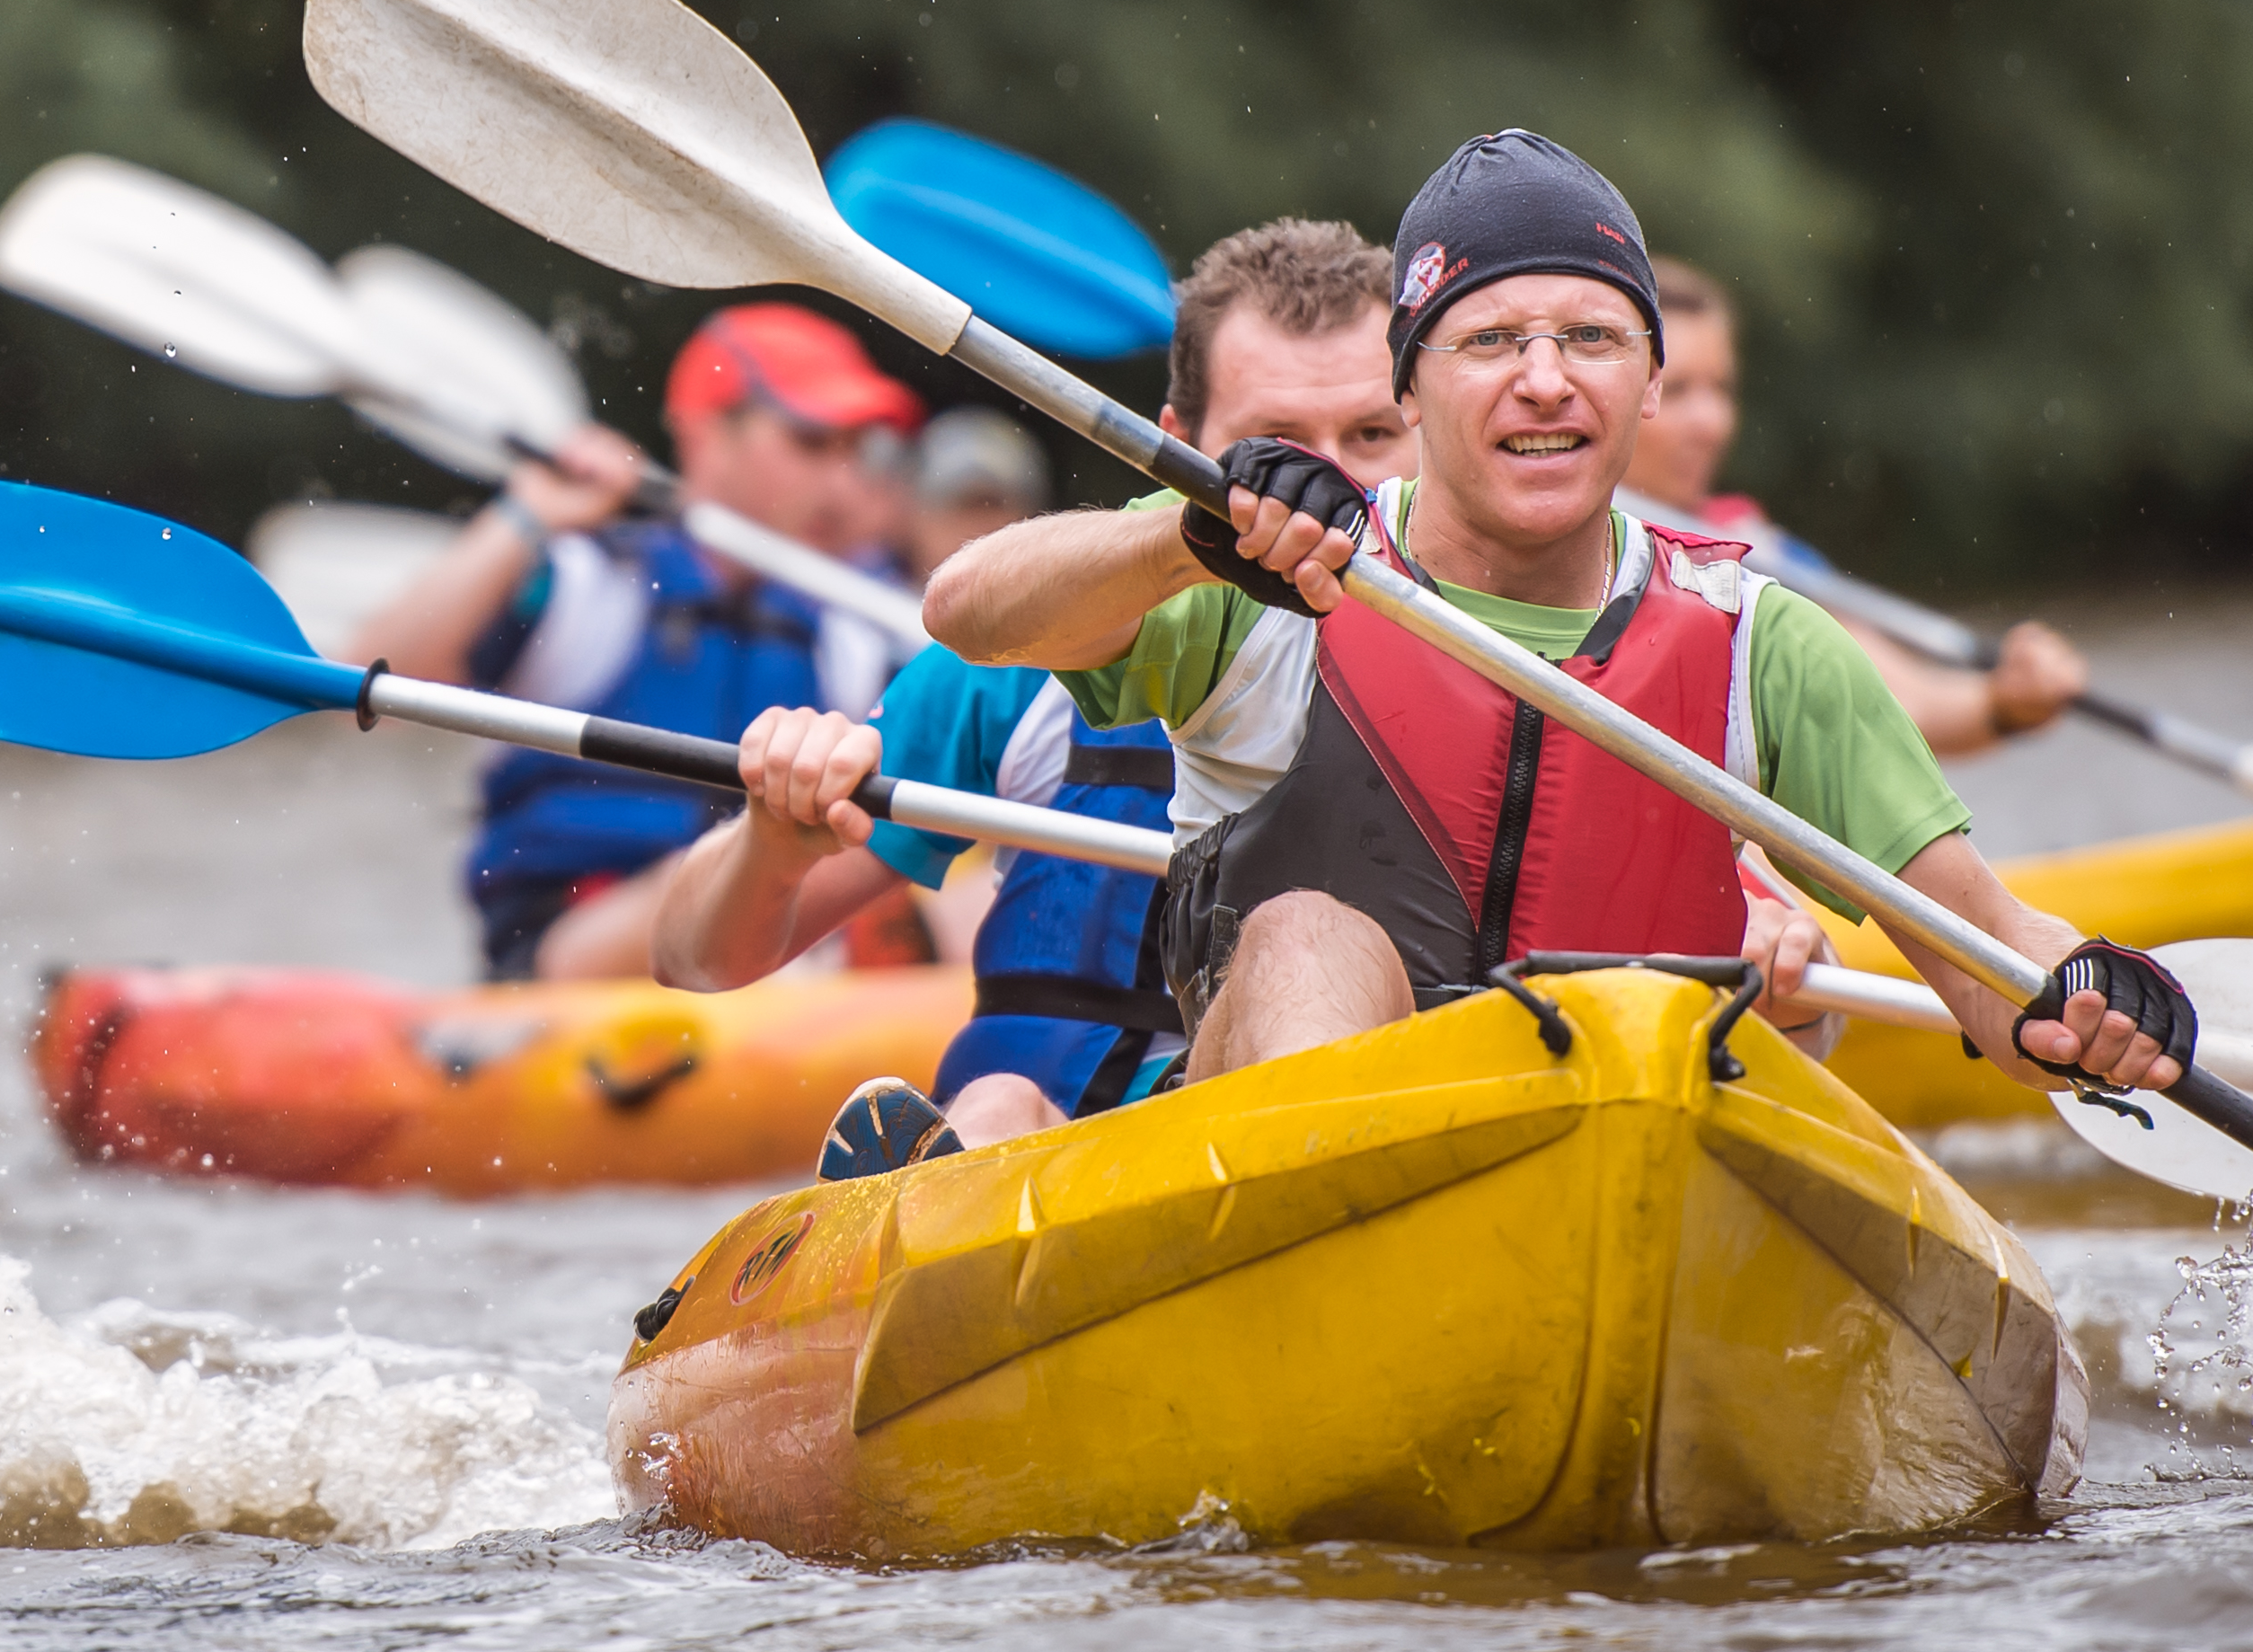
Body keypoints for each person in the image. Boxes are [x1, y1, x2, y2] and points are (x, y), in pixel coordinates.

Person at [862, 128, 2186, 1176]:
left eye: (1592, 339)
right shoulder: (1262, 559)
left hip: (1622, 1165)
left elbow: (1994, 958)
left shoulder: (1761, 646)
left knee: (1745, 1038)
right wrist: (1182, 540)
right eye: (1490, 341)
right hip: (1281, 1177)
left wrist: (2085, 1006)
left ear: (1648, 384)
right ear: (1408, 387)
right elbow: (969, 609)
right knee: (1311, 936)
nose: (1545, 379)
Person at [650, 220, 1413, 1167]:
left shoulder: (1499, 676)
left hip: (1275, 1147)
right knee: (1003, 1098)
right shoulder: (1028, 654)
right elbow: (694, 959)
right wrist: (772, 839)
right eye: (1275, 445)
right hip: (1025, 1181)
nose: (1324, 482)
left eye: (1372, 435)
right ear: (1174, 450)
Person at [347, 302, 923, 981]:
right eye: (811, 443)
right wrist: (523, 516)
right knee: (708, 880)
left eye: (855, 451)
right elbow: (368, 679)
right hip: (574, 946)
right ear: (708, 435)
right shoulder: (587, 585)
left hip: (766, 948)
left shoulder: (853, 625)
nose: (841, 482)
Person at [1631, 258, 2087, 758]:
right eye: (1676, 391)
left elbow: (1902, 708)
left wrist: (2006, 702)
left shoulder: (1758, 549)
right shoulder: (1554, 546)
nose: (1712, 423)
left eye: (1721, 389)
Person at [903, 409, 1047, 579]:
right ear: (914, 515)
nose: (976, 534)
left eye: (992, 507)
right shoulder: (866, 588)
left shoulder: (1060, 600)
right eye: (962, 507)